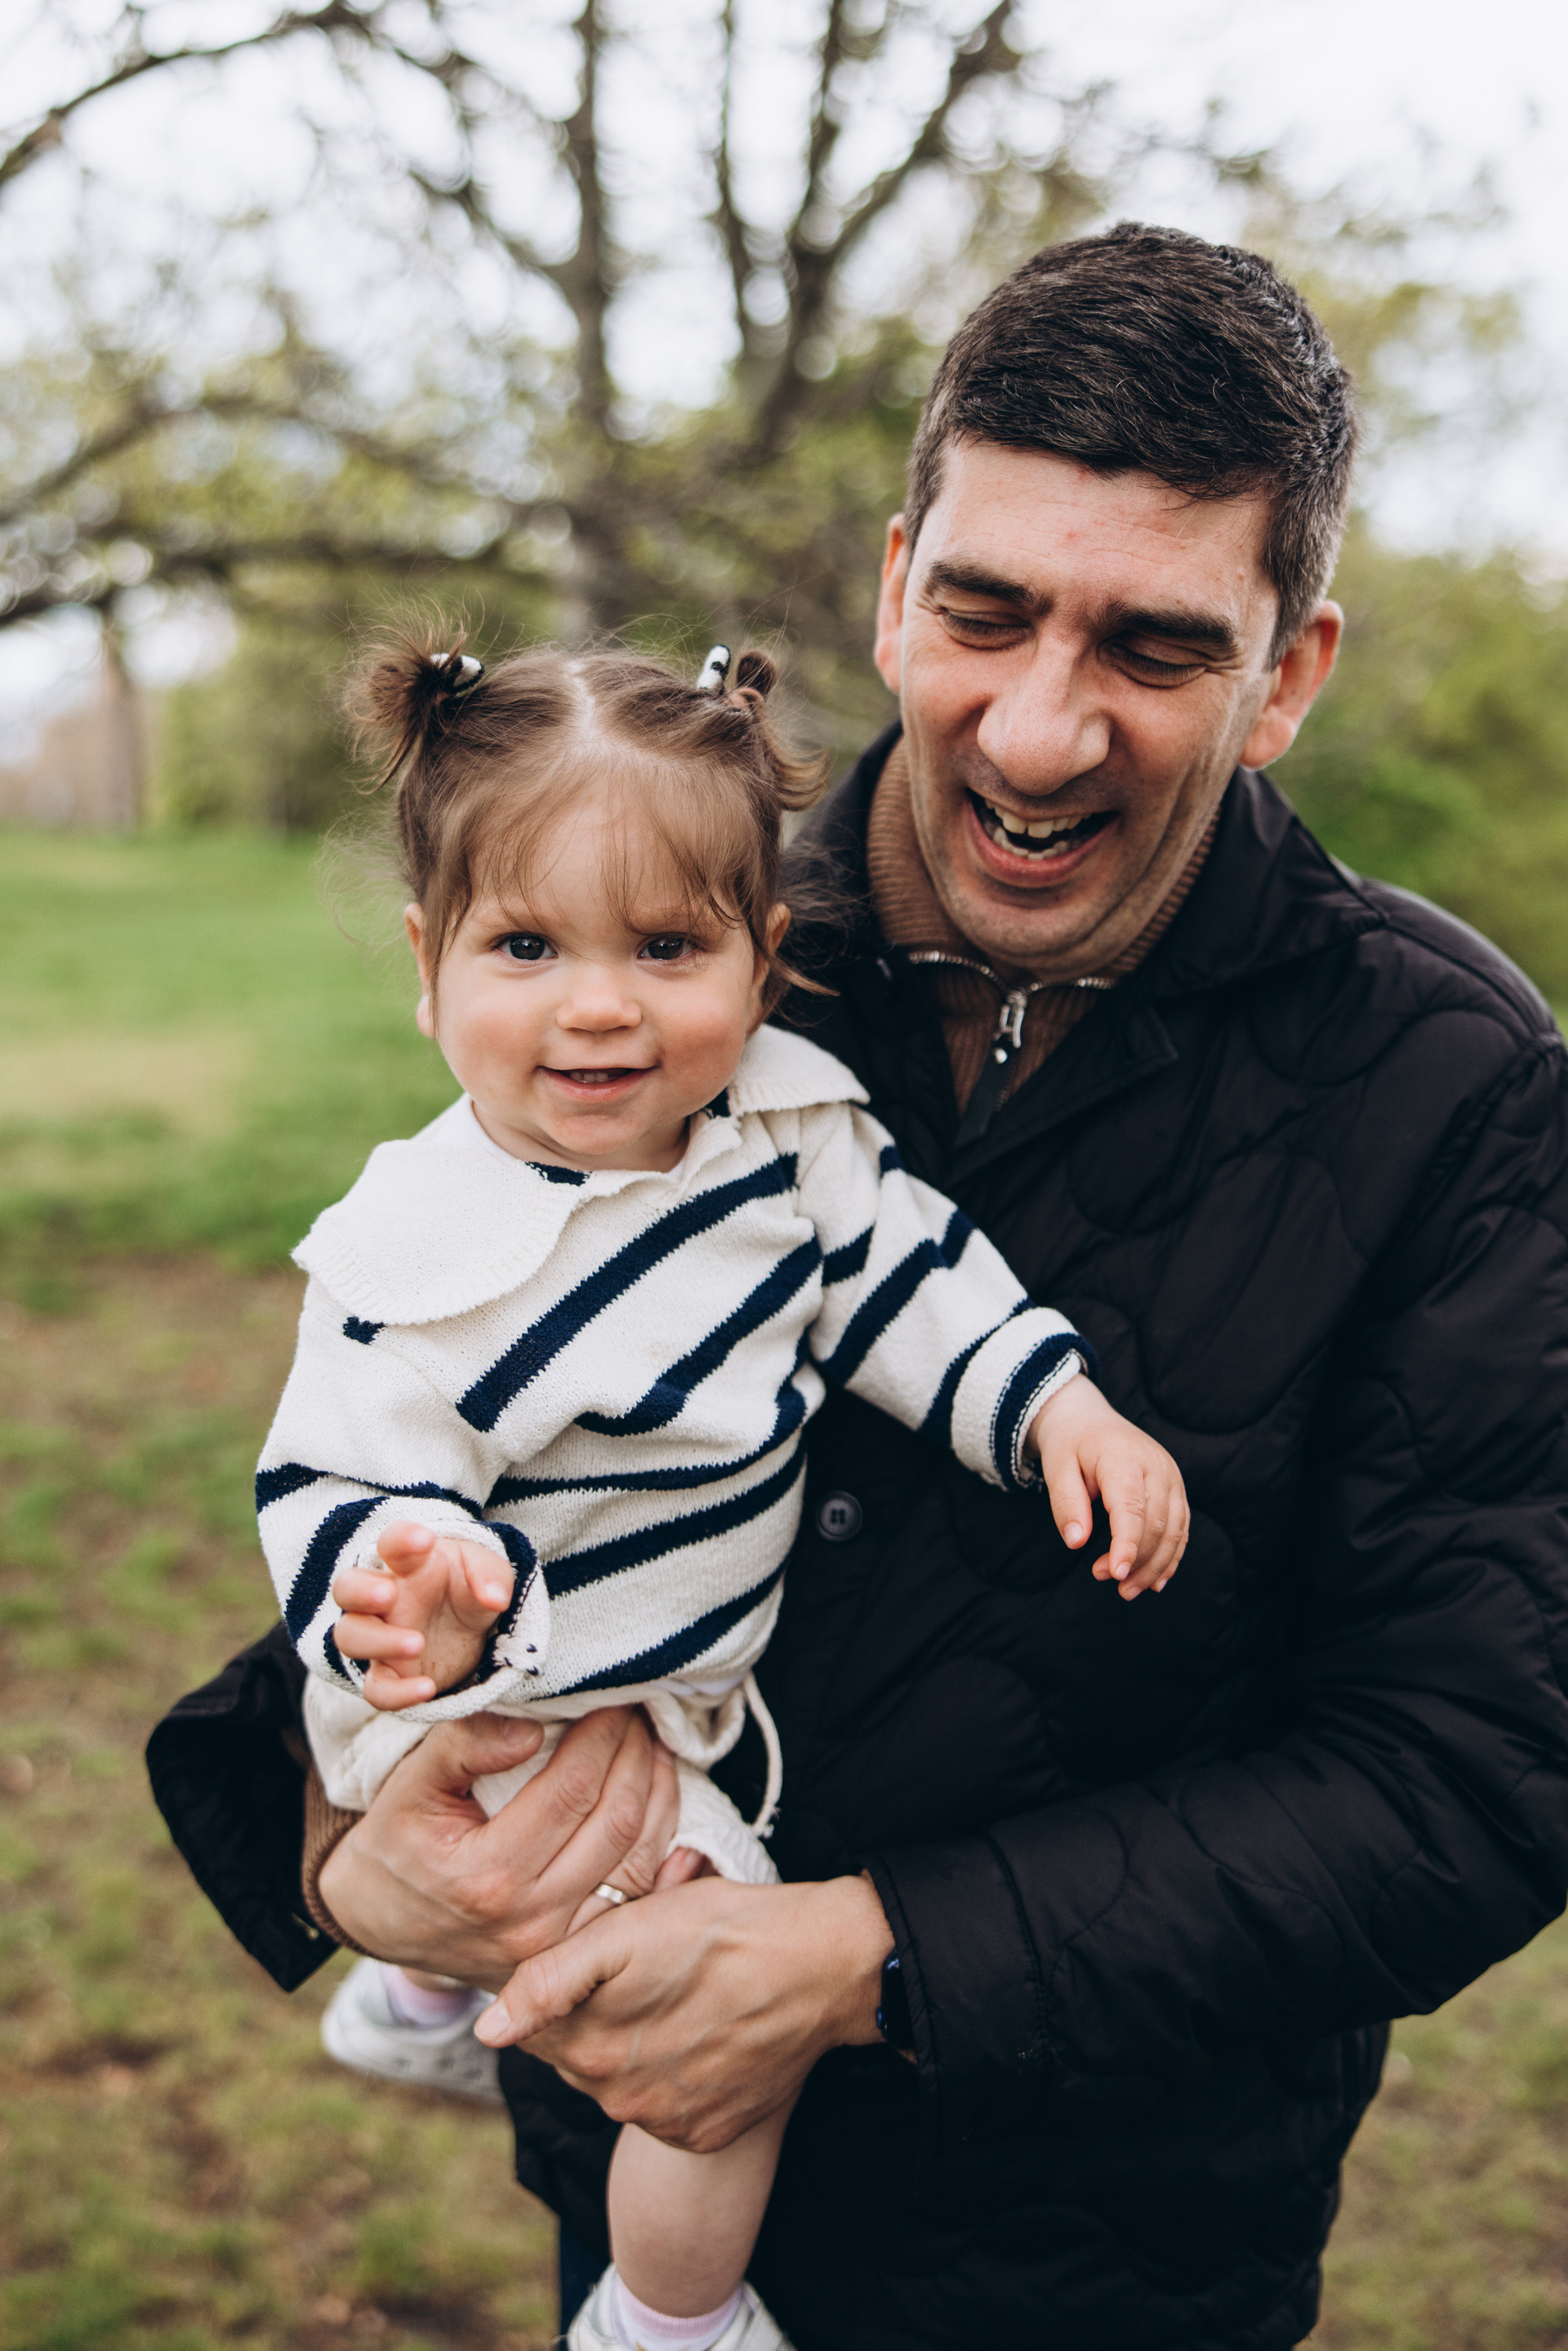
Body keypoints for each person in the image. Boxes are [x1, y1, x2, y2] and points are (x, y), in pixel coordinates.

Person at [148, 221, 1568, 2351]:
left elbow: (1478, 1762)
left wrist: (860, 1958)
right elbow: (443, 1405)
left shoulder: (1453, 1085)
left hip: (1109, 2255)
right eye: (985, 611)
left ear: (1287, 675)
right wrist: (344, 1839)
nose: (1040, 727)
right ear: (899, 585)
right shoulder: (650, 935)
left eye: (1155, 646)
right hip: (622, 2180)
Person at [256, 627, 1187, 2351]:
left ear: (762, 958)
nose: (600, 1002)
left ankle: (419, 1998)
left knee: (636, 1961)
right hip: (498, 1704)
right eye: (527, 944)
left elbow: (916, 1282)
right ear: (428, 964)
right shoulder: (416, 1255)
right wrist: (412, 1580)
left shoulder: (785, 1134)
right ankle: (668, 2316)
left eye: (667, 945)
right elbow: (334, 1472)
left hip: (672, 1675)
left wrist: (1056, 1406)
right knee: (716, 2028)